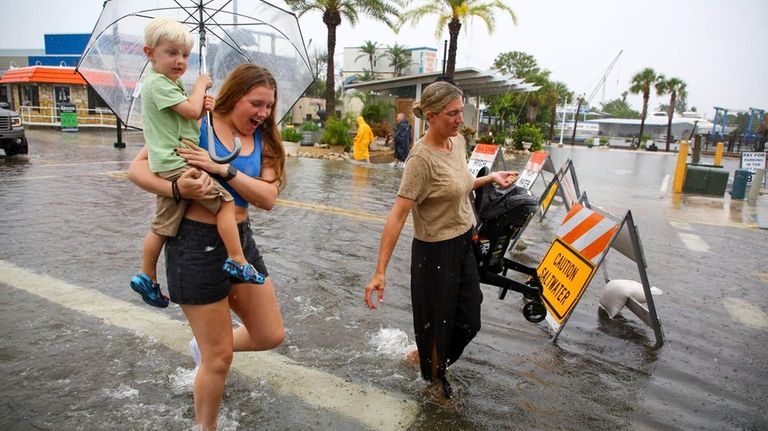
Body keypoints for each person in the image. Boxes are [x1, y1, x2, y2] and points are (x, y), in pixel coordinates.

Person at [127, 63, 286, 430]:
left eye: (269, 107)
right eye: (256, 104)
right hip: (194, 245)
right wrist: (177, 189)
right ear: (234, 96)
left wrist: (222, 170)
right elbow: (137, 170)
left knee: (269, 334)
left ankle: (205, 345)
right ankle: (206, 426)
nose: (262, 114)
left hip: (240, 243)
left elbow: (267, 197)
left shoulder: (266, 141)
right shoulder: (195, 121)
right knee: (219, 358)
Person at [363, 81, 518, 399]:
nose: (461, 119)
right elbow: (397, 214)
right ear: (431, 116)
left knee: (469, 320)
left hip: (463, 242)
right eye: (452, 113)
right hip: (433, 251)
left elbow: (458, 183)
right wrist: (380, 271)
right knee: (437, 325)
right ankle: (435, 384)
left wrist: (490, 178)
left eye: (461, 111)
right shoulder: (419, 159)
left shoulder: (457, 142)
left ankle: (425, 360)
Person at [131, 18, 265, 309]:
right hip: (177, 164)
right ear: (149, 53)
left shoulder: (171, 85)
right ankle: (237, 260)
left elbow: (188, 113)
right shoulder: (159, 84)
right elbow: (189, 113)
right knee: (225, 201)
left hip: (174, 162)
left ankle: (146, 275)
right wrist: (201, 86)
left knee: (162, 226)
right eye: (172, 53)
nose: (180, 61)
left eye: (185, 55)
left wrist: (201, 104)